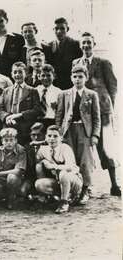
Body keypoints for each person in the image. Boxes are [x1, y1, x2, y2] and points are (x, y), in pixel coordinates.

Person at [72, 32, 119, 196]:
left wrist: (110, 108)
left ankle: (114, 184)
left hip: (103, 111)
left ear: (94, 44)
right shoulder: (76, 63)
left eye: (88, 43)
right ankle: (85, 186)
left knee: (105, 147)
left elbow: (113, 87)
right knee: (85, 148)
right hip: (85, 113)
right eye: (83, 43)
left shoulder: (103, 63)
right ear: (80, 45)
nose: (86, 46)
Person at [55, 65, 100, 205]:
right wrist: (59, 131)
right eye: (74, 76)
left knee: (85, 161)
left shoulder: (92, 94)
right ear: (71, 78)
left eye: (80, 76)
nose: (77, 79)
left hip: (84, 131)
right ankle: (71, 191)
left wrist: (95, 135)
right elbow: (59, 114)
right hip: (69, 131)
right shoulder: (64, 94)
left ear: (86, 78)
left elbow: (96, 117)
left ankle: (85, 190)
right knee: (70, 160)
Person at [34, 125, 83, 213]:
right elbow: (38, 162)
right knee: (39, 182)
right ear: (45, 137)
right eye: (49, 136)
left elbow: (70, 167)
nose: (52, 139)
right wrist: (43, 161)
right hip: (57, 181)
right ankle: (47, 197)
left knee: (63, 173)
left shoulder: (65, 148)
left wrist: (53, 166)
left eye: (55, 136)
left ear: (61, 138)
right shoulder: (43, 149)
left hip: (73, 181)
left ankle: (64, 202)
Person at [0, 128, 30, 209]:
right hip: (1, 179)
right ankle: (5, 195)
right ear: (2, 141)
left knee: (11, 178)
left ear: (15, 141)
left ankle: (11, 198)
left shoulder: (21, 151)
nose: (9, 143)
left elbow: (18, 171)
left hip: (16, 179)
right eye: (6, 140)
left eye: (11, 140)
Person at [0, 62, 42, 144]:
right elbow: (0, 109)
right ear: (11, 74)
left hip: (25, 128)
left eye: (20, 72)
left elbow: (37, 110)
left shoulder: (32, 91)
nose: (17, 75)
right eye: (15, 72)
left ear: (26, 73)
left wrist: (20, 115)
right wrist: (7, 117)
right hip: (8, 126)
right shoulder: (6, 91)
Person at [0, 9, 26, 76]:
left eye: (1, 21)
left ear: (6, 20)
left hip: (14, 76)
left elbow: (22, 60)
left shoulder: (18, 38)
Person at [46, 17, 83, 89]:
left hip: (71, 84)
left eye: (62, 28)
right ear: (53, 30)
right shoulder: (49, 46)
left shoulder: (76, 45)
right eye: (56, 29)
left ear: (67, 29)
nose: (59, 31)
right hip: (55, 85)